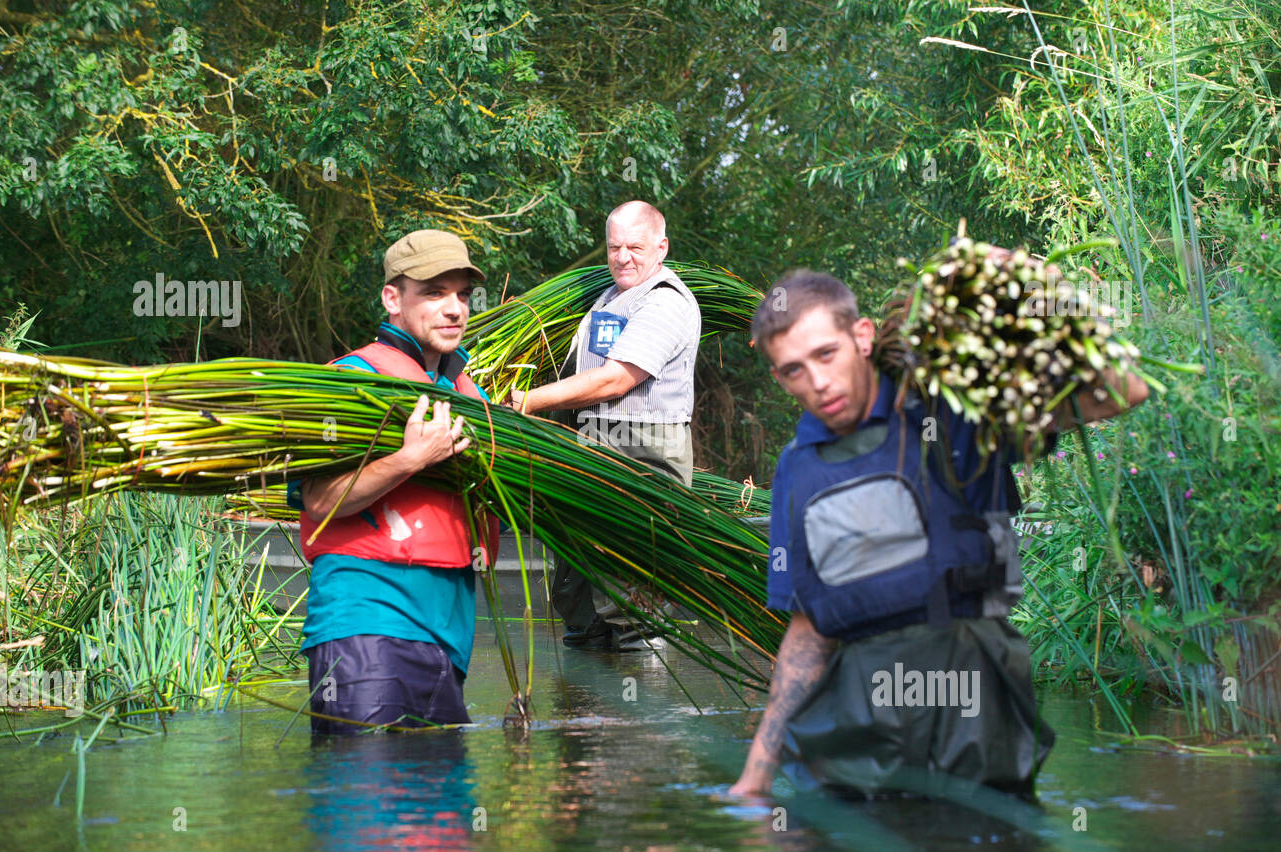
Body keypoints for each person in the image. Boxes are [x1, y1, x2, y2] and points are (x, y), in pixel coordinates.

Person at [731, 268, 1149, 797]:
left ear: (861, 336)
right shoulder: (797, 468)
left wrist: (1043, 291)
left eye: (826, 354)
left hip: (973, 706)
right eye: (793, 370)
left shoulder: (954, 416)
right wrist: (752, 782)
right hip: (858, 721)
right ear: (777, 377)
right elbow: (809, 632)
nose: (816, 382)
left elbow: (1125, 389)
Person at [286, 229, 499, 734]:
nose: (454, 310)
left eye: (462, 296)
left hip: (448, 633)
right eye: (434, 293)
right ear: (392, 298)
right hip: (368, 621)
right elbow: (320, 499)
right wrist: (410, 459)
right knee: (372, 795)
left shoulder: (469, 395)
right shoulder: (348, 381)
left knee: (438, 807)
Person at [507, 200, 701, 650]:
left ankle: (641, 687)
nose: (623, 257)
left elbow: (616, 379)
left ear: (661, 247)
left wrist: (530, 401)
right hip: (596, 445)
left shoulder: (665, 302)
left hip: (643, 449)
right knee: (576, 583)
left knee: (632, 579)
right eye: (615, 247)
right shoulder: (610, 297)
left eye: (635, 246)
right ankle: (589, 674)